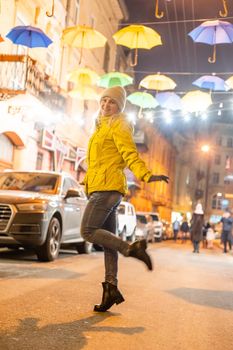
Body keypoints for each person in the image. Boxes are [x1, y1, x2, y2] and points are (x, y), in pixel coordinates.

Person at [80, 86, 169, 312]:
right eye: (104, 101)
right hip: (101, 186)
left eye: (112, 103)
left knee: (87, 231)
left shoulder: (119, 124)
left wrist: (146, 175)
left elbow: (130, 154)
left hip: (108, 188)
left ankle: (131, 249)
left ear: (119, 106)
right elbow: (100, 161)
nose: (106, 105)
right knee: (108, 242)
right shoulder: (99, 127)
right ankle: (111, 288)